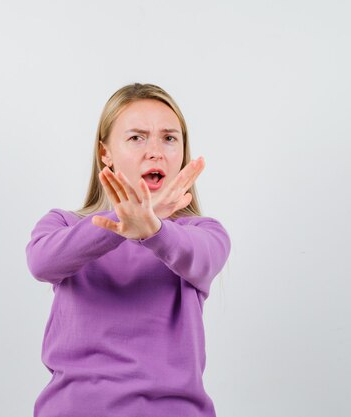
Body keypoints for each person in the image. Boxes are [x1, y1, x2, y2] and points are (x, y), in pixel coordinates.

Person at [25, 83, 231, 417]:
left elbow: (201, 257)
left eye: (169, 138)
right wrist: (123, 220)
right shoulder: (63, 223)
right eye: (136, 137)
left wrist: (152, 228)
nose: (156, 151)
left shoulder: (203, 231)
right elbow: (42, 262)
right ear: (105, 152)